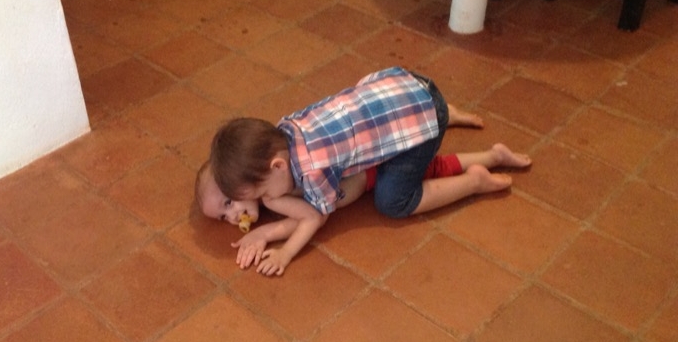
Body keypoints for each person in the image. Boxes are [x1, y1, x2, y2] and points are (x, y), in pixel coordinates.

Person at [206, 66, 531, 276]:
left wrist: (285, 253)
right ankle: (453, 116)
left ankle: (473, 182)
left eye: (265, 192)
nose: (267, 199)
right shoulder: (285, 129)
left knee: (394, 201)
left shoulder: (312, 170)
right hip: (402, 85)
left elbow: (315, 217)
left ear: (277, 167)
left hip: (421, 115)